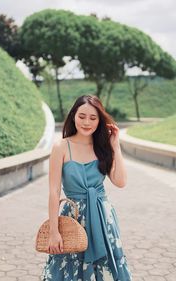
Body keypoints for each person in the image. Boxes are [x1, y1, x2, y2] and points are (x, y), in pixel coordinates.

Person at [41, 95, 133, 280]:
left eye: (93, 118)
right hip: (73, 217)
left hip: (101, 216)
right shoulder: (61, 146)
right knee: (69, 267)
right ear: (74, 115)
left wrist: (115, 145)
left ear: (99, 121)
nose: (86, 122)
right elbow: (54, 192)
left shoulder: (102, 147)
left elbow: (121, 181)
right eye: (82, 116)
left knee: (105, 267)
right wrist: (53, 231)